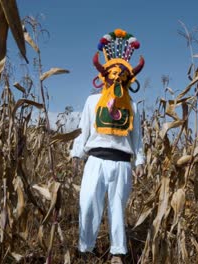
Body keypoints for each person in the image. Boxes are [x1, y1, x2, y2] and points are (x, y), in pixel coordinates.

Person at [70, 28, 145, 264]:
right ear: (104, 76)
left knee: (116, 207)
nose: (116, 77)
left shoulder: (132, 107)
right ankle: (85, 248)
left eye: (121, 74)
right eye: (112, 73)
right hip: (95, 160)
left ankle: (117, 252)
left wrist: (140, 160)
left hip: (121, 162)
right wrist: (76, 155)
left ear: (128, 77)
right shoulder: (92, 101)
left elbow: (137, 137)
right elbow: (84, 130)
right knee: (88, 201)